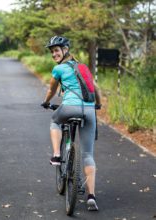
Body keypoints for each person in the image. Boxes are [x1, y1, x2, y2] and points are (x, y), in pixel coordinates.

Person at [42, 36, 101, 211]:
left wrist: (46, 102)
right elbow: (96, 88)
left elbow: (52, 89)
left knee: (54, 122)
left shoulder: (58, 69)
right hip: (89, 110)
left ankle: (57, 154)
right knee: (88, 154)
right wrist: (98, 104)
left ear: (65, 50)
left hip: (69, 107)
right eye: (52, 51)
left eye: (57, 50)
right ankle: (91, 197)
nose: (54, 54)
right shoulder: (83, 67)